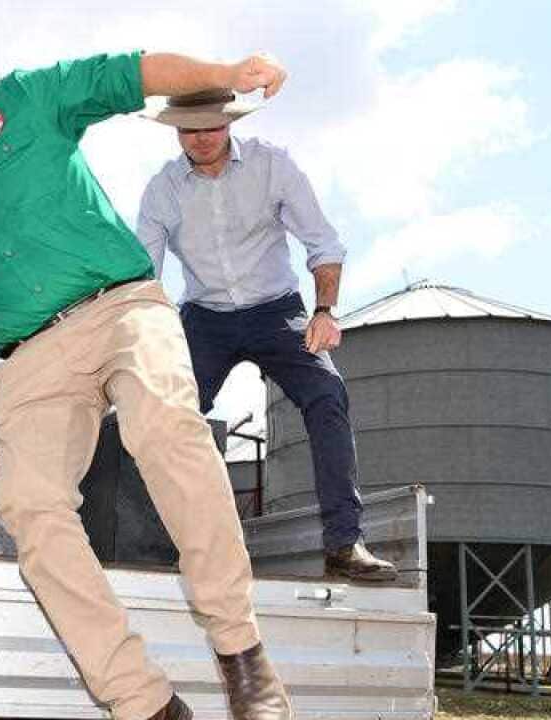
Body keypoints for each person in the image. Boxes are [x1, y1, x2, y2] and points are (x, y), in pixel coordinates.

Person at [0, 47, 292, 720]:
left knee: (165, 428)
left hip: (121, 307)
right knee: (29, 508)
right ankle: (143, 701)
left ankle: (241, 653)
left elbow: (131, 74)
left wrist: (225, 75)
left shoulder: (25, 102)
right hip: (32, 357)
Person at [135, 90, 396, 581]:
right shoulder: (162, 190)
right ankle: (180, 548)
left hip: (279, 312)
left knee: (327, 394)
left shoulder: (273, 166)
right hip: (204, 318)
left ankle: (344, 543)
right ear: (176, 132)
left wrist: (324, 311)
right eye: (191, 130)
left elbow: (323, 242)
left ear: (229, 123)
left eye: (213, 126)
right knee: (168, 415)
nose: (203, 138)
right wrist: (152, 339)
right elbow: (145, 275)